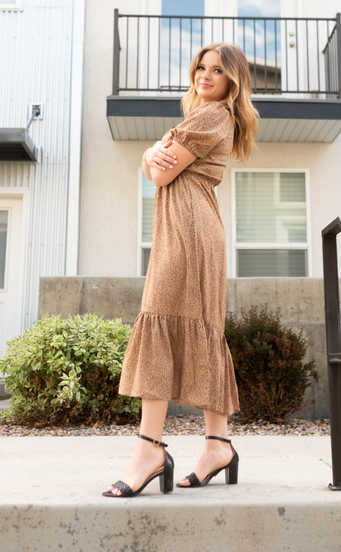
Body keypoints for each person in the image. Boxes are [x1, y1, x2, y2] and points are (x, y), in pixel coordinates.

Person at [103, 42, 259, 498]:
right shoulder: (206, 117)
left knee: (161, 320)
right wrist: (154, 153)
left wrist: (154, 153)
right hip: (192, 227)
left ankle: (150, 449)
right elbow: (157, 164)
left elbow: (160, 174)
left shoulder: (211, 116)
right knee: (199, 328)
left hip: (190, 232)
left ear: (233, 81)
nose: (204, 76)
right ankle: (218, 444)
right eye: (200, 67)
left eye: (217, 71)